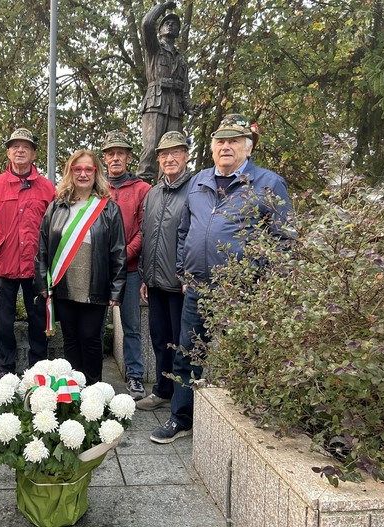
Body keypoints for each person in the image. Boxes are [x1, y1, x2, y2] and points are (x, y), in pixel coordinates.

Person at [150, 114, 294, 443]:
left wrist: (268, 286)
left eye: (233, 141)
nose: (226, 146)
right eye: (220, 141)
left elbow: (284, 241)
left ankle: (242, 424)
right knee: (187, 353)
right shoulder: (200, 181)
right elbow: (185, 231)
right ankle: (181, 418)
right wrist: (183, 270)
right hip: (198, 287)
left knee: (242, 356)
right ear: (212, 148)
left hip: (243, 292)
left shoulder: (269, 184)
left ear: (248, 147)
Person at [36, 150, 126, 385]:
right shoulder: (56, 206)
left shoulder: (109, 209)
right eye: (78, 169)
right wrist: (42, 283)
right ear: (70, 172)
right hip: (64, 284)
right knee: (70, 339)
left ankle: (94, 389)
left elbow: (118, 252)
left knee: (90, 338)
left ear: (96, 172)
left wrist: (117, 290)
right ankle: (74, 390)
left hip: (94, 285)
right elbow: (43, 247)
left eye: (88, 169)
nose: (83, 174)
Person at [0, 128, 56, 388]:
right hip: (3, 265)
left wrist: (52, 268)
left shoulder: (46, 188)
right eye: (15, 146)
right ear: (8, 152)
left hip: (36, 268)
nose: (20, 150)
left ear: (33, 153)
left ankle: (37, 368)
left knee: (38, 320)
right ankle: (4, 367)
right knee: (3, 321)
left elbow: (56, 229)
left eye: (26, 146)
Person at [136, 131, 194, 412]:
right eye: (164, 154)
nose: (169, 159)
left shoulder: (196, 189)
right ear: (158, 159)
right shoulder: (153, 193)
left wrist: (189, 274)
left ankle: (184, 399)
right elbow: (147, 234)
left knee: (182, 344)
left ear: (186, 155)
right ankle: (162, 390)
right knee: (159, 338)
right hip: (156, 280)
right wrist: (145, 276)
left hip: (180, 283)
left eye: (175, 152)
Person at [101, 130, 151, 400]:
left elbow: (145, 230)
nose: (116, 157)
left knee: (132, 326)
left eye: (121, 153)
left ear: (129, 157)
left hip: (130, 270)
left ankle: (134, 377)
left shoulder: (143, 189)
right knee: (94, 326)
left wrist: (123, 256)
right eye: (111, 153)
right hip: (100, 272)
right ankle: (91, 376)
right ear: (105, 157)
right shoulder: (97, 187)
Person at [137, 1, 193, 181]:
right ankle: (143, 190)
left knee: (173, 150)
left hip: (175, 108)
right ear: (159, 30)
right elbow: (146, 23)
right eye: (167, 23)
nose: (171, 25)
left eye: (175, 24)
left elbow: (185, 89)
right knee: (151, 147)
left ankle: (167, 190)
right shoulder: (154, 49)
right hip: (156, 103)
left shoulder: (181, 60)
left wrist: (190, 107)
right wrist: (162, 6)